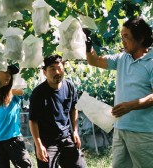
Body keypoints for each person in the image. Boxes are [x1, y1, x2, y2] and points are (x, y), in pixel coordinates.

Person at [85, 17, 153, 168]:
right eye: (121, 36)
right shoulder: (122, 58)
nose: (122, 40)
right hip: (121, 128)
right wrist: (88, 43)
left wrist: (132, 105)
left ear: (140, 38)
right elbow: (94, 61)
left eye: (126, 36)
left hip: (144, 133)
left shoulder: (151, 61)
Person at [29, 54, 86, 168]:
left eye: (59, 68)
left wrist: (75, 131)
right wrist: (39, 144)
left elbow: (73, 108)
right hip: (47, 140)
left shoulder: (69, 86)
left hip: (65, 136)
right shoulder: (38, 93)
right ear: (45, 72)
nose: (57, 72)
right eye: (52, 69)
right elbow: (33, 121)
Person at [0, 90, 32, 168]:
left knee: (25, 165)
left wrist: (9, 91)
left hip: (14, 138)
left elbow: (26, 94)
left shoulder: (14, 97)